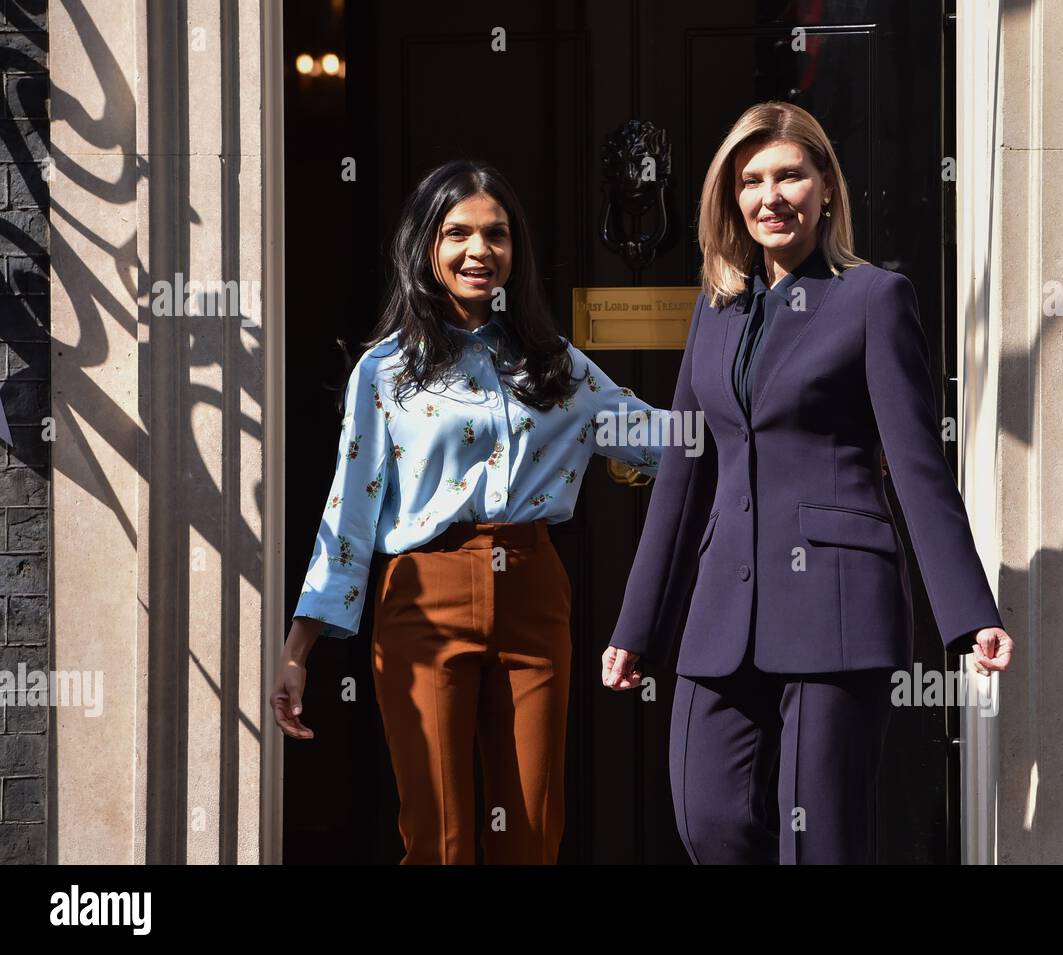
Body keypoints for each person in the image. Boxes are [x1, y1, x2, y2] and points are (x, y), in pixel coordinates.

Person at [601, 101, 1015, 864]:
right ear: (730, 197)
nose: (771, 195)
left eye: (790, 174)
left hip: (837, 603)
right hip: (722, 609)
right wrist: (638, 626)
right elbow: (683, 479)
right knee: (709, 820)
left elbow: (920, 468)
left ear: (825, 185)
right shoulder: (715, 308)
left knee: (820, 840)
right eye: (751, 180)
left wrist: (967, 613)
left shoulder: (874, 299)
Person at [272, 159, 667, 864]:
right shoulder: (385, 371)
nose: (479, 250)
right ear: (425, 246)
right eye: (458, 232)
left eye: (497, 234)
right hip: (424, 597)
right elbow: (350, 508)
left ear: (517, 253)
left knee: (532, 831)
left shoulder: (557, 366)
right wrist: (299, 649)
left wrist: (785, 430)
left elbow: (658, 440)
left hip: (533, 593)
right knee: (440, 837)